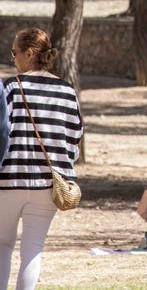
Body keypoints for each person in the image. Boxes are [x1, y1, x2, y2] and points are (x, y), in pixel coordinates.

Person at [0, 28, 83, 290]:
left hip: (8, 182)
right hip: (50, 185)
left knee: (2, 245)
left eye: (14, 53)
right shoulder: (67, 91)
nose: (13, 59)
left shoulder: (10, 88)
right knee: (33, 250)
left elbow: (2, 131)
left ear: (29, 53)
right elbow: (74, 139)